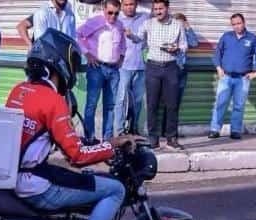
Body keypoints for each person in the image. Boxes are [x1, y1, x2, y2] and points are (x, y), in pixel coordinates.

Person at [5, 29, 136, 220]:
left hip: (15, 174)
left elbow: (65, 144)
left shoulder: (19, 91)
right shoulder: (52, 100)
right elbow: (76, 156)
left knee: (73, 179)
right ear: (60, 64)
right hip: (33, 183)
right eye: (73, 65)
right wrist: (110, 147)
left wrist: (95, 145)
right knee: (114, 189)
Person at [126, 0, 187, 150]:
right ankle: (153, 140)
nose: (158, 11)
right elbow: (138, 39)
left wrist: (177, 48)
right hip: (152, 67)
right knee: (152, 104)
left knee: (172, 105)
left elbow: (184, 45)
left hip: (171, 67)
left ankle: (171, 139)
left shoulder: (177, 24)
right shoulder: (148, 23)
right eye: (155, 9)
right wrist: (130, 35)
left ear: (167, 8)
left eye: (161, 8)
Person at [208, 13, 256, 140]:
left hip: (243, 78)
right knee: (220, 103)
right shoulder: (226, 37)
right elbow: (217, 53)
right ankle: (215, 129)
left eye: (239, 23)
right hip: (226, 77)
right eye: (234, 24)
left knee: (239, 105)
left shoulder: (252, 38)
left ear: (244, 23)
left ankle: (235, 130)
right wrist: (218, 68)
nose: (237, 26)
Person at [77, 0, 126, 142]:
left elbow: (123, 43)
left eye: (116, 13)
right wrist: (87, 54)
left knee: (110, 106)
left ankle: (107, 139)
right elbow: (78, 35)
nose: (113, 16)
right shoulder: (95, 21)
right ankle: (89, 138)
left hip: (113, 70)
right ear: (104, 9)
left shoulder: (120, 25)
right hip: (96, 69)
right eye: (110, 12)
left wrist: (121, 57)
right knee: (91, 105)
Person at [161, 13, 199, 139]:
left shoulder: (186, 35)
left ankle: (172, 132)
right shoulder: (170, 34)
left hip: (182, 71)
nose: (180, 25)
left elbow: (194, 43)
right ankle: (165, 131)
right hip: (170, 70)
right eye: (178, 22)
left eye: (182, 23)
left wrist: (188, 27)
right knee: (169, 102)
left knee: (176, 103)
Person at [114, 0, 149, 136]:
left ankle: (133, 129)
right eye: (126, 4)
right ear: (122, 6)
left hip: (141, 66)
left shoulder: (145, 18)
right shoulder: (117, 20)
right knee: (121, 99)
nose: (129, 7)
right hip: (123, 66)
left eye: (132, 4)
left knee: (138, 100)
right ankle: (119, 131)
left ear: (136, 5)